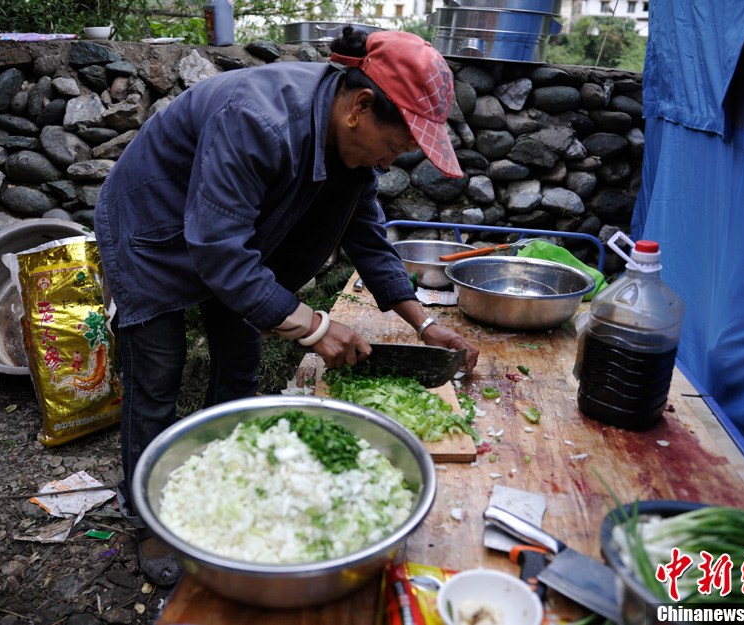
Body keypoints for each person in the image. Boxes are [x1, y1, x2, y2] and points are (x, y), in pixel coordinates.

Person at [94, 27, 480, 586]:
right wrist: (313, 325)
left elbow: (366, 234)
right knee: (158, 374)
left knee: (241, 355)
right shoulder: (256, 119)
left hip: (230, 232)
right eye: (395, 147)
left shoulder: (349, 142)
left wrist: (423, 320)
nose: (391, 160)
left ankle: (225, 475)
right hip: (151, 228)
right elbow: (218, 249)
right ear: (362, 106)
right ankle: (151, 520)